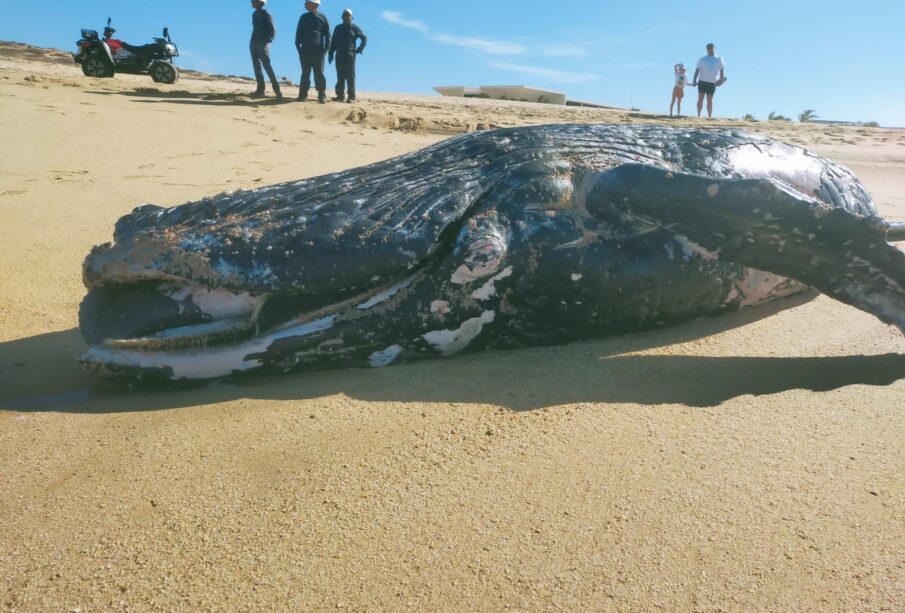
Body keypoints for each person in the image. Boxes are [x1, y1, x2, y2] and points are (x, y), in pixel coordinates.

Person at [295, 0, 331, 103]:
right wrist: (299, 48)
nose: (305, 4)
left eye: (307, 2)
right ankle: (302, 95)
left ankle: (322, 95)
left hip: (318, 51)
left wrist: (326, 49)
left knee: (319, 73)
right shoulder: (303, 17)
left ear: (314, 4)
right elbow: (298, 34)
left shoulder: (322, 17)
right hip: (305, 51)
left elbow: (328, 35)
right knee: (305, 73)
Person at [328, 9, 367, 103]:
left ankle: (352, 97)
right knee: (340, 76)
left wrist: (359, 50)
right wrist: (330, 54)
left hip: (350, 56)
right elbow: (333, 42)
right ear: (342, 17)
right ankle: (340, 96)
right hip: (339, 56)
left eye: (348, 15)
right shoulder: (338, 28)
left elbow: (364, 38)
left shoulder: (355, 28)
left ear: (351, 17)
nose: (346, 17)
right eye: (344, 15)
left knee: (350, 77)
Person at [249, 0, 282, 99]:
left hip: (263, 44)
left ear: (260, 2)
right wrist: (252, 41)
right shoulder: (254, 14)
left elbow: (273, 30)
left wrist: (266, 42)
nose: (251, 3)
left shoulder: (266, 13)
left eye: (253, 1)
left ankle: (277, 91)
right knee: (256, 67)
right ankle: (260, 90)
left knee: (267, 66)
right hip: (254, 42)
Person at [691, 43, 725, 118]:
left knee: (709, 99)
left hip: (712, 82)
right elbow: (697, 70)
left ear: (714, 48)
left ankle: (709, 116)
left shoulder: (718, 58)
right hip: (702, 81)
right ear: (706, 49)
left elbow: (721, 70)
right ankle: (699, 115)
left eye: (711, 47)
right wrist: (694, 80)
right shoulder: (703, 59)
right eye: (708, 48)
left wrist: (721, 80)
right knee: (700, 98)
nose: (710, 49)